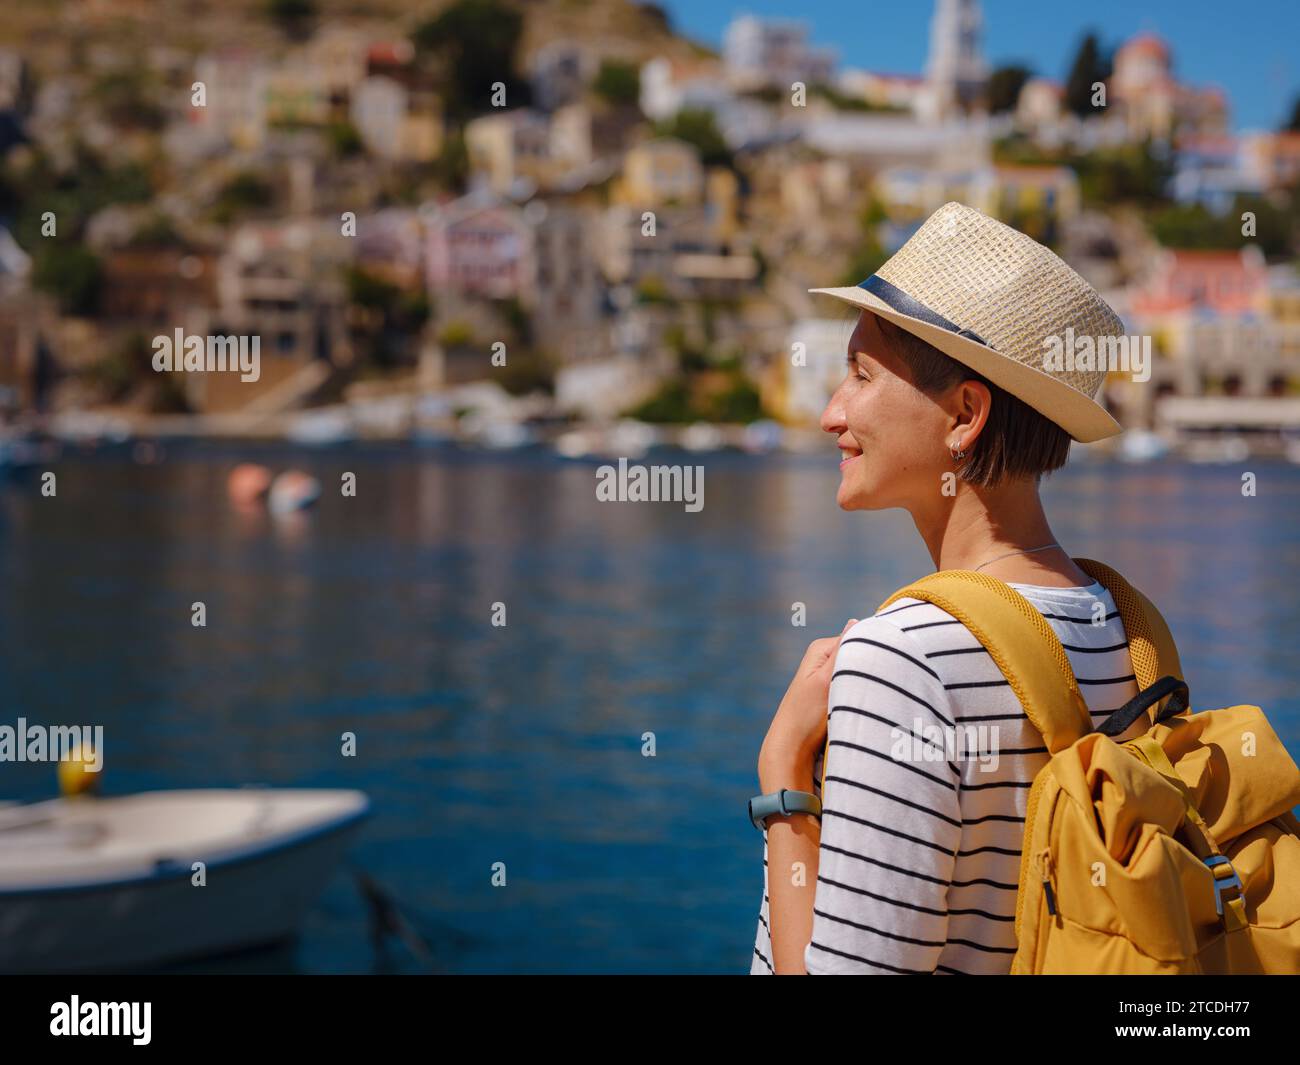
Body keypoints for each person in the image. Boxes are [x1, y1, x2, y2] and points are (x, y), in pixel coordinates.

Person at [750, 201, 1149, 975]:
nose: (832, 413)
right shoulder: (1130, 628)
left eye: (861, 373)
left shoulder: (903, 665)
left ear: (965, 414)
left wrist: (783, 783)